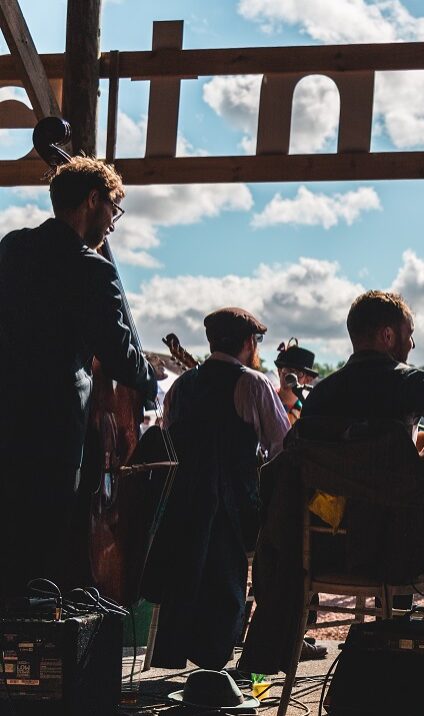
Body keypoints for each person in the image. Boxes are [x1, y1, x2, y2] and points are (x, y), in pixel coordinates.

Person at [0, 157, 158, 598]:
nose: (112, 223)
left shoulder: (11, 249)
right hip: (54, 427)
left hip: (6, 415)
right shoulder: (92, 269)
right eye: (112, 209)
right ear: (93, 200)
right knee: (44, 544)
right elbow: (120, 355)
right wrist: (149, 380)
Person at [298, 290, 424, 626]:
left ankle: (393, 630)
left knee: (400, 510)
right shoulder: (409, 383)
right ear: (388, 336)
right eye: (409, 333)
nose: (412, 344)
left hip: (328, 546)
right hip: (396, 548)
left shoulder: (319, 396)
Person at [141, 308, 290, 670]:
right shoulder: (253, 384)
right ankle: (243, 652)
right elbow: (284, 449)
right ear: (249, 342)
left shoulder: (179, 388)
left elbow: (172, 443)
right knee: (281, 545)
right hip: (234, 512)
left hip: (182, 514)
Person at [274, 339, 319, 425]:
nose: (291, 375)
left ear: (307, 380)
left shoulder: (306, 412)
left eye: (298, 372)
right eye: (287, 369)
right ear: (279, 372)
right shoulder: (267, 400)